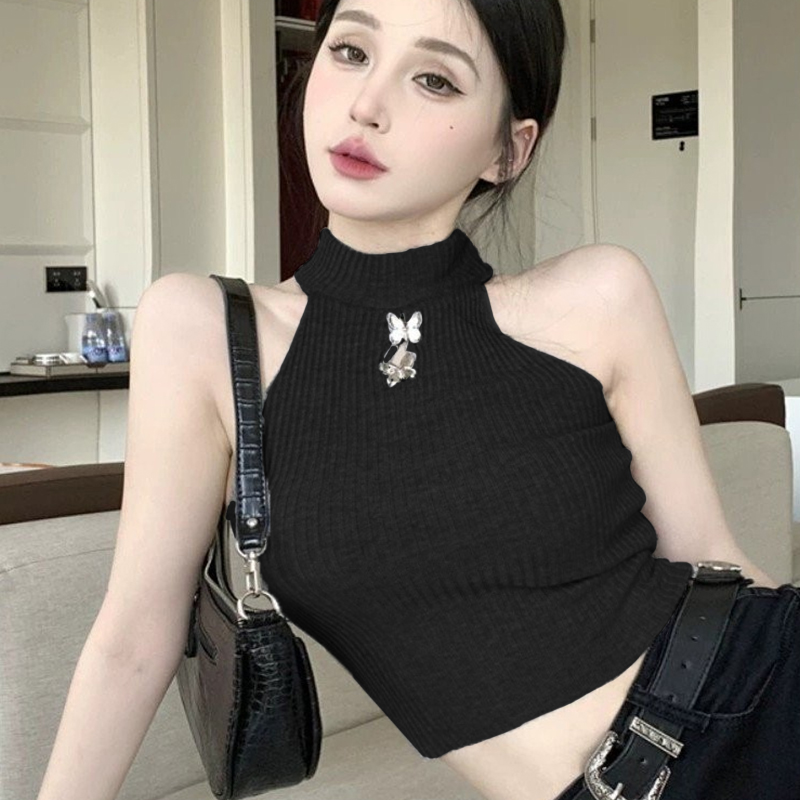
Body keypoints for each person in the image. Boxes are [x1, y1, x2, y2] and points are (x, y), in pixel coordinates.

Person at [36, 2, 797, 800]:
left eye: (434, 79)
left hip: (765, 696)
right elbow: (134, 639)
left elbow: (716, 564)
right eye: (351, 51)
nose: (367, 104)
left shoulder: (598, 297)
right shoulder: (206, 331)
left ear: (508, 150)